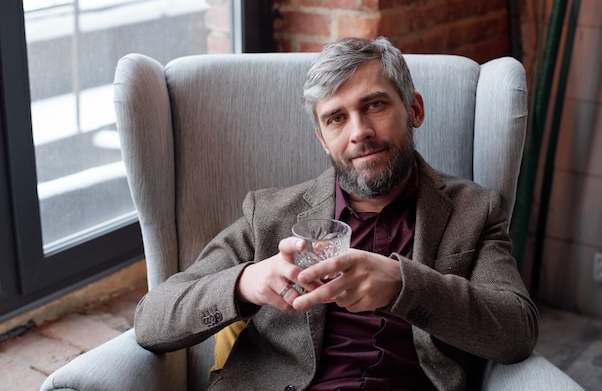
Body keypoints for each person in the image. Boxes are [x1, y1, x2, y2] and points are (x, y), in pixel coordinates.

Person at [134, 37, 538, 390]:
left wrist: (404, 285)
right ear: (323, 141)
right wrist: (244, 282)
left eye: (374, 104)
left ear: (414, 110)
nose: (359, 131)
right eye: (337, 118)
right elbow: (152, 320)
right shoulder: (271, 214)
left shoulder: (473, 211)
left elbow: (517, 331)